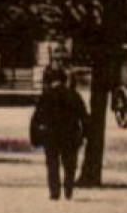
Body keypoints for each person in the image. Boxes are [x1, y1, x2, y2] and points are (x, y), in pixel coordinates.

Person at [29, 66, 90, 200]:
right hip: (70, 135)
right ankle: (68, 189)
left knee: (52, 164)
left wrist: (35, 137)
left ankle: (54, 191)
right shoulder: (73, 95)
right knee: (70, 164)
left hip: (51, 135)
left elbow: (36, 118)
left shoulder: (46, 96)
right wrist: (85, 134)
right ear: (64, 80)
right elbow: (84, 116)